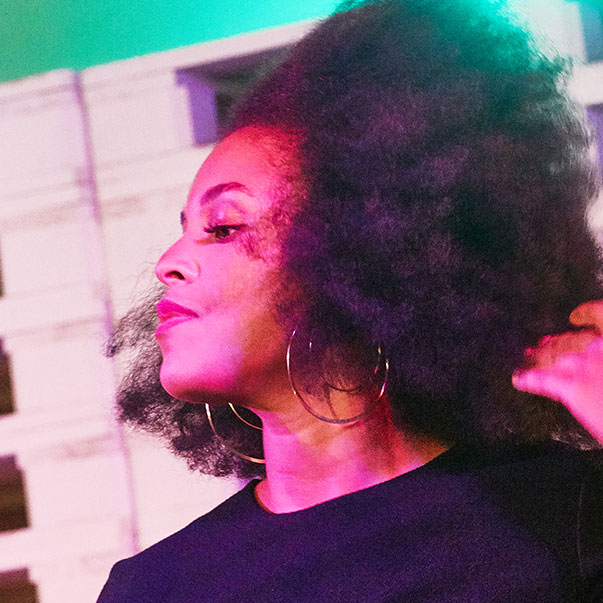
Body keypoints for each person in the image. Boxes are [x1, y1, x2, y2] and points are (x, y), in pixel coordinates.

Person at [98, 0, 603, 600]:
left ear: (361, 253)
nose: (168, 263)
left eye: (225, 227)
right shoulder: (155, 588)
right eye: (183, 229)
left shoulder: (564, 516)